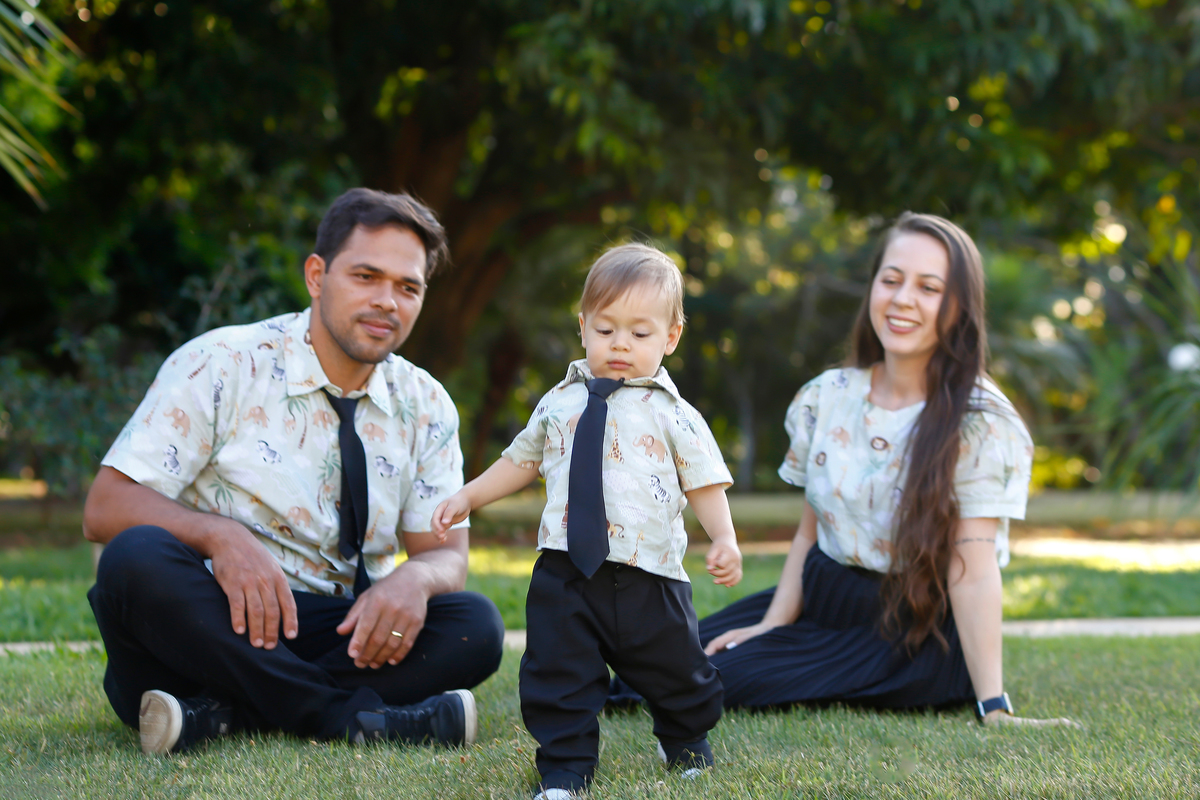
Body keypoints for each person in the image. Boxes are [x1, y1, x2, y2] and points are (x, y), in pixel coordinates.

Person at [610, 212, 1076, 727]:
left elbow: (973, 567)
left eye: (929, 288)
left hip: (910, 631)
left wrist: (993, 705)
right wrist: (773, 622)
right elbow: (811, 530)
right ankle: (776, 644)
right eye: (891, 280)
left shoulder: (982, 422)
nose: (902, 299)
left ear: (960, 306)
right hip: (822, 600)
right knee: (643, 666)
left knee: (694, 682)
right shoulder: (827, 397)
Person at [83, 188, 505, 755]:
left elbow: (445, 553)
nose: (387, 301)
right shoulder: (222, 362)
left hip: (339, 631)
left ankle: (221, 713)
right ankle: (351, 719)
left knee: (473, 624)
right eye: (365, 276)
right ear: (316, 275)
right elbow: (105, 507)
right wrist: (219, 534)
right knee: (133, 561)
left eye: (408, 287)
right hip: (211, 624)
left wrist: (418, 577)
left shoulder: (426, 404)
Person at [432, 243, 744, 798]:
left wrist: (723, 538)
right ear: (583, 328)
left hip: (650, 573)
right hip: (565, 570)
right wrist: (468, 497)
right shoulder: (558, 402)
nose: (620, 344)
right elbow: (520, 461)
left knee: (676, 669)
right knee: (557, 669)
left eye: (640, 334)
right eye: (606, 329)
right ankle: (565, 768)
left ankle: (687, 739)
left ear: (671, 337)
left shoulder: (675, 414)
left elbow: (704, 481)